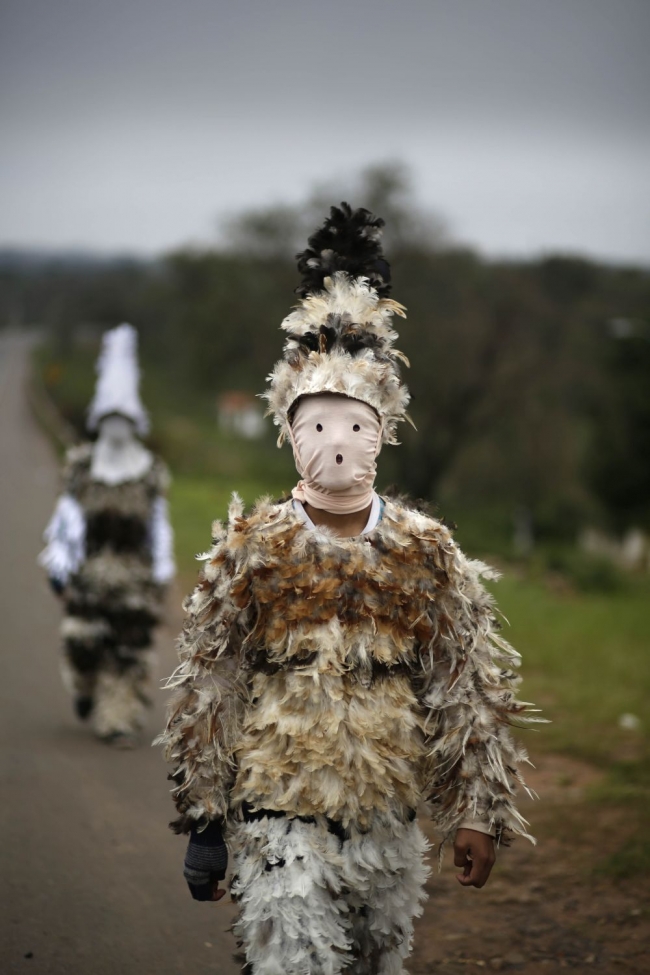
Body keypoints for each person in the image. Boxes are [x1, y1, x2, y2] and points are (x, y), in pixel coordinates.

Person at [159, 205, 537, 974]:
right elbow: (209, 681)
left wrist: (477, 809)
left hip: (384, 826)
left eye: (356, 426)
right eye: (319, 423)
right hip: (276, 817)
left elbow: (466, 682)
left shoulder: (426, 552)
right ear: (290, 429)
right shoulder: (252, 549)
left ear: (383, 430)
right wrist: (204, 817)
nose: (338, 443)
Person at [40, 323, 175, 746]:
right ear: (101, 421)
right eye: (110, 420)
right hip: (90, 573)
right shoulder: (82, 468)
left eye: (124, 420)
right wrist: (59, 564)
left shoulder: (149, 472)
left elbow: (159, 524)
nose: (117, 427)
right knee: (83, 642)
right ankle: (84, 686)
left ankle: (117, 719)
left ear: (133, 422)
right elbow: (66, 521)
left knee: (128, 650)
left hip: (134, 577)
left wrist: (163, 568)